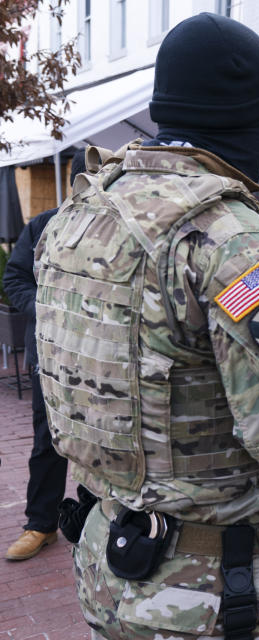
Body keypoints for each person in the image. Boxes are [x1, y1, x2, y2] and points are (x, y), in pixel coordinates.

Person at [33, 13, 259, 640]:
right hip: (208, 591)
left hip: (108, 566)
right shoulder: (233, 242)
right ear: (250, 123)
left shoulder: (80, 214)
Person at [3, 149, 85, 561]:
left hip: (108, 363)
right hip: (48, 357)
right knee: (46, 441)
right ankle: (41, 524)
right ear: (76, 184)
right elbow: (14, 278)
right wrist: (46, 308)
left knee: (107, 443)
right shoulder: (43, 225)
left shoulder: (125, 230)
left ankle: (101, 523)